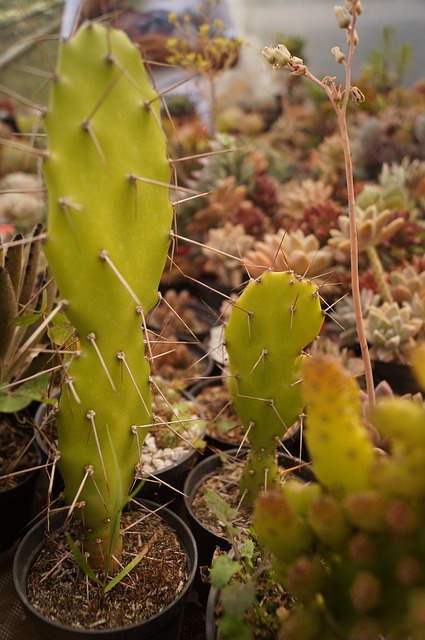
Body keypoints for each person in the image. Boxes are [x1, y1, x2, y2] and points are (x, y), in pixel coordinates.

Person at [60, 0, 239, 129]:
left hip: (187, 119)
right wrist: (89, 10)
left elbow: (233, 52)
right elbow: (68, 59)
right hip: (112, 117)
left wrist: (180, 49)